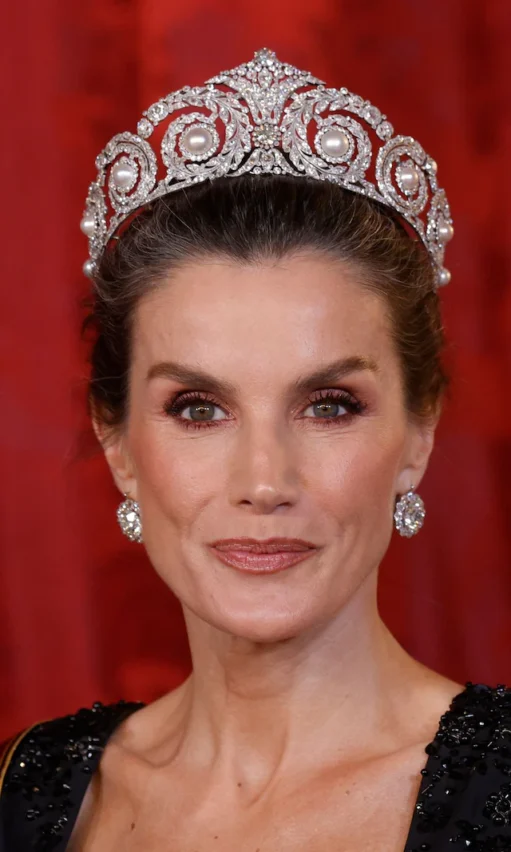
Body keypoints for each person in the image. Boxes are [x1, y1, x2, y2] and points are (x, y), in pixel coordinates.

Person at [1, 48, 509, 852]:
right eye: (198, 409)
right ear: (118, 442)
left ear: (418, 434)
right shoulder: (21, 792)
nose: (264, 481)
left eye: (329, 406)